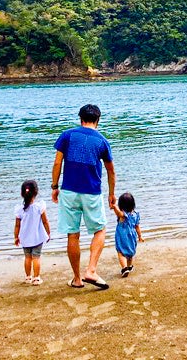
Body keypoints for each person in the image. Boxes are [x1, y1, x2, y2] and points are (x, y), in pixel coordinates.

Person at [51, 104, 116, 290]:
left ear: (80, 119)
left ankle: (77, 278)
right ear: (98, 120)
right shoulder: (102, 141)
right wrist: (112, 194)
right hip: (91, 192)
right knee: (100, 230)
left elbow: (57, 163)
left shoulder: (67, 135)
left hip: (69, 191)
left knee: (73, 234)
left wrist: (55, 186)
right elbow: (111, 171)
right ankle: (91, 270)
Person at [113, 191, 144, 277]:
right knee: (130, 252)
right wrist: (140, 236)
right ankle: (129, 266)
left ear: (121, 205)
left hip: (122, 236)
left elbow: (119, 213)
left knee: (121, 252)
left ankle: (124, 268)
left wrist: (114, 207)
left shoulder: (123, 215)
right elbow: (137, 227)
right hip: (132, 236)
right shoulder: (136, 215)